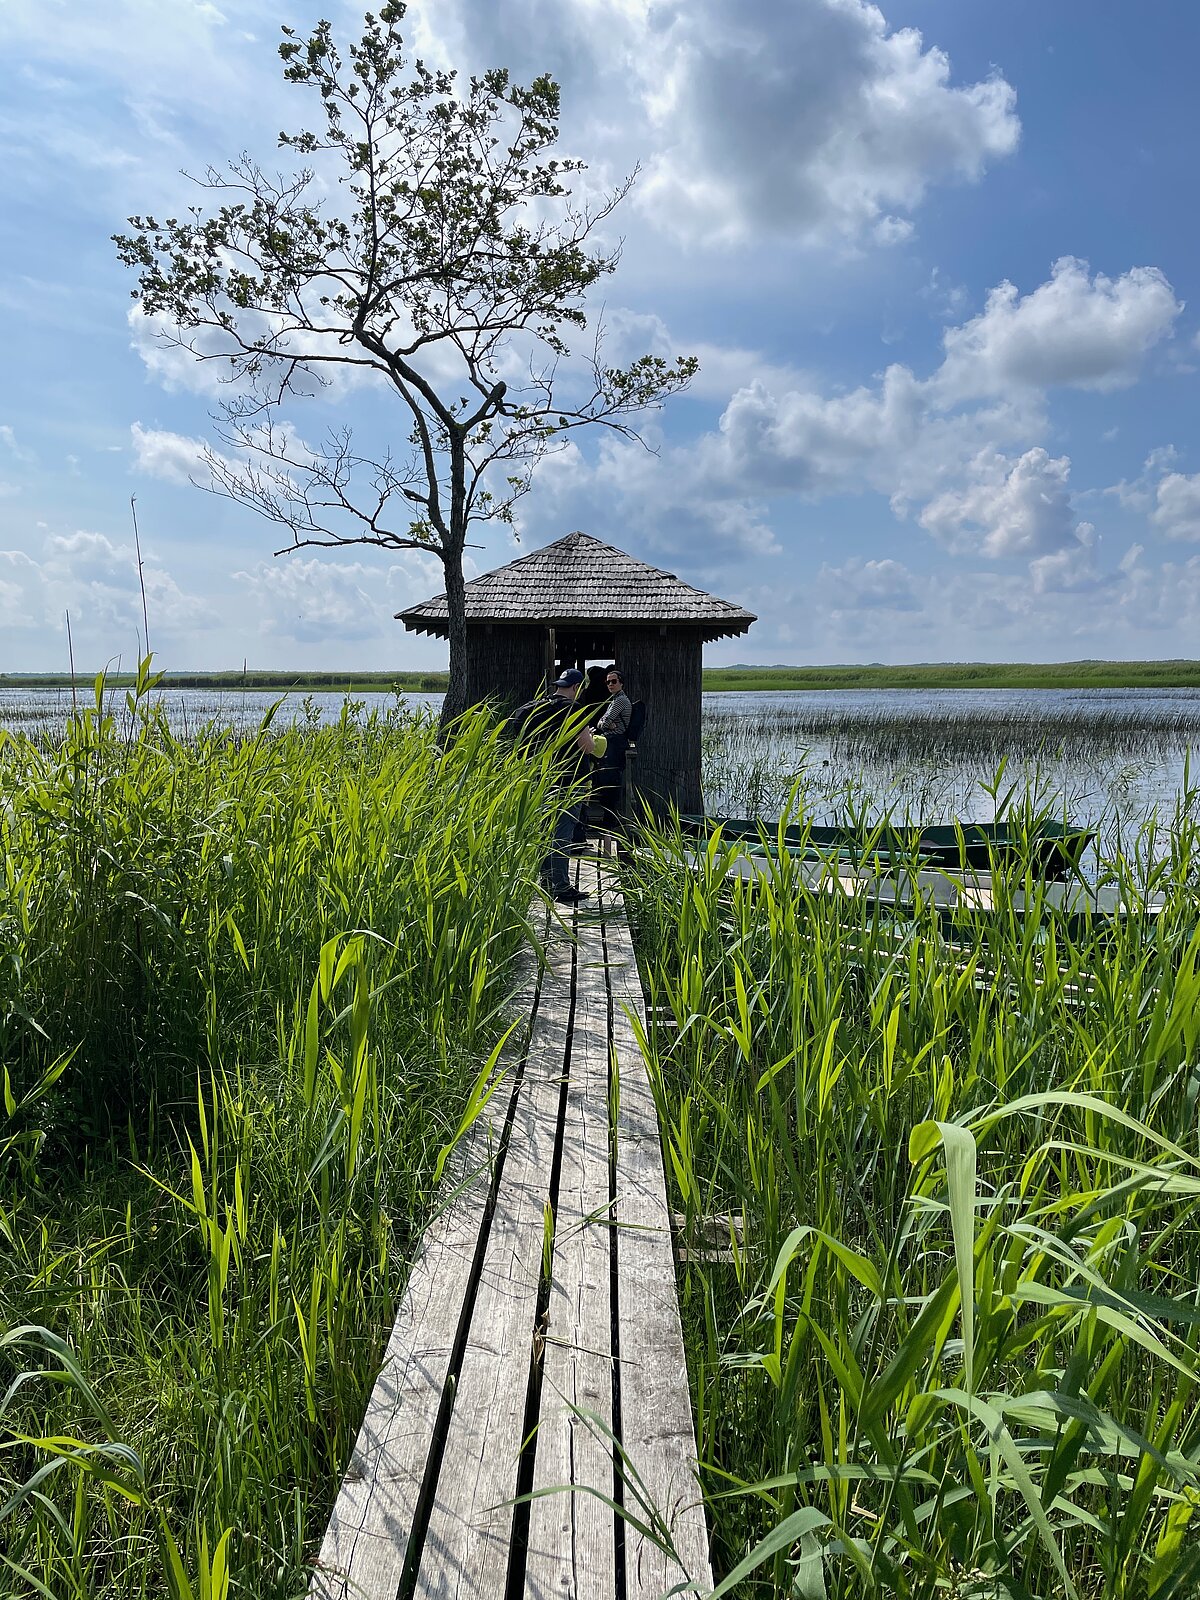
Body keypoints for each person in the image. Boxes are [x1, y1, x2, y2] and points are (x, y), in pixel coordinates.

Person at [520, 667, 597, 904]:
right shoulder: (574, 710)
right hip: (569, 781)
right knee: (562, 833)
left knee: (545, 830)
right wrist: (591, 736)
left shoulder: (535, 708)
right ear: (576, 688)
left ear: (557, 686)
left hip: (541, 779)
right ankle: (561, 887)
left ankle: (545, 881)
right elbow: (586, 747)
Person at [592, 667, 632, 831]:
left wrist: (606, 723)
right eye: (608, 682)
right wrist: (605, 722)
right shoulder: (614, 700)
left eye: (614, 681)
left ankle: (609, 822)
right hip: (612, 740)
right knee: (606, 779)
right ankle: (607, 820)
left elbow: (604, 722)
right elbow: (602, 722)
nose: (610, 684)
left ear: (621, 683)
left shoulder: (620, 701)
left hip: (615, 743)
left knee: (610, 780)